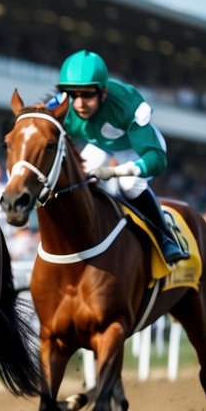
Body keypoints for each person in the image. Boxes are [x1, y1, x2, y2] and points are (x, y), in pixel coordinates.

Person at [54, 49, 186, 264]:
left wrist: (117, 170)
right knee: (78, 177)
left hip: (135, 147)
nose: (79, 103)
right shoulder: (62, 105)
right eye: (73, 94)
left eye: (87, 95)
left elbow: (157, 159)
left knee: (128, 185)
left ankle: (165, 237)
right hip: (100, 145)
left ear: (103, 93)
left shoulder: (129, 105)